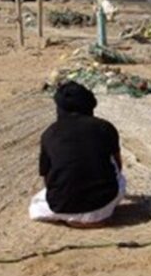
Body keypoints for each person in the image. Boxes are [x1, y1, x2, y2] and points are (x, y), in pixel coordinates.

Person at [29, 81, 126, 226]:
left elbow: (46, 175)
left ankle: (72, 218)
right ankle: (96, 217)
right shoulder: (105, 127)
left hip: (62, 206)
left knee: (36, 204)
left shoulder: (49, 133)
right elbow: (118, 166)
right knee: (121, 179)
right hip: (103, 204)